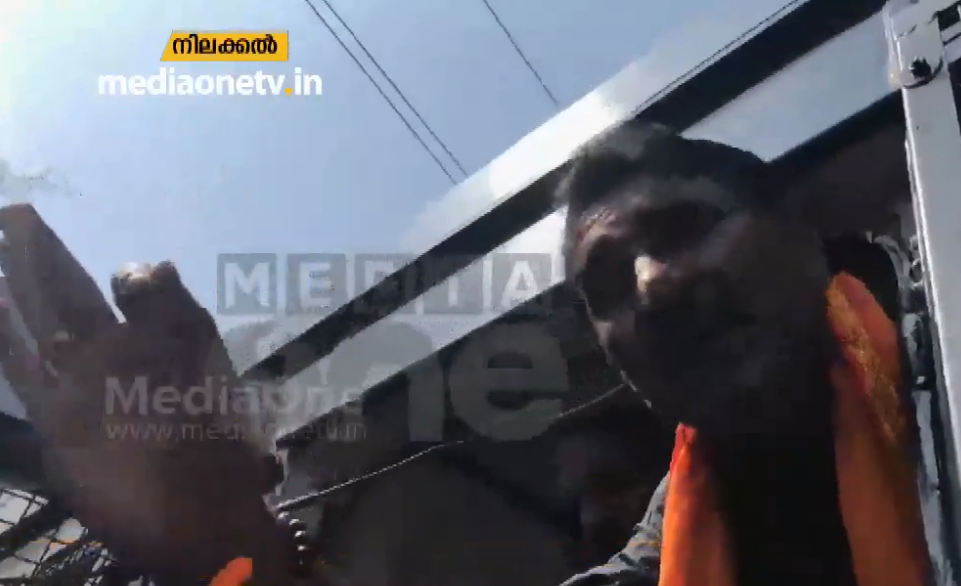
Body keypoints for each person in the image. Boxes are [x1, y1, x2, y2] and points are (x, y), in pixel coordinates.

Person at [555, 122, 930, 586]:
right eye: (607, 284)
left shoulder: (945, 343)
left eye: (684, 228)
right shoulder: (671, 531)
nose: (651, 284)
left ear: (799, 233)